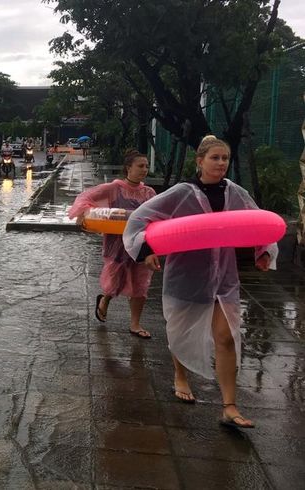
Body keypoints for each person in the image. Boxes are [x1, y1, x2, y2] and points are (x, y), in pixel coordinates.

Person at [123, 135, 278, 428]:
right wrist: (147, 251)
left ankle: (229, 407)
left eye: (225, 159)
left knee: (226, 337)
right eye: (215, 158)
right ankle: (181, 375)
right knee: (181, 332)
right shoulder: (182, 193)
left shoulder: (235, 192)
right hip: (187, 274)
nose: (221, 164)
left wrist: (264, 252)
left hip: (224, 278)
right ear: (200, 161)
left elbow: (257, 220)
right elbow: (140, 219)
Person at [68, 149, 156, 339]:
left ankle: (135, 324)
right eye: (140, 166)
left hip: (141, 244)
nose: (144, 170)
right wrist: (84, 213)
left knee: (141, 284)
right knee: (115, 281)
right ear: (128, 168)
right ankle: (105, 299)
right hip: (118, 243)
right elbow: (86, 196)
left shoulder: (149, 193)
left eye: (146, 166)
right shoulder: (114, 188)